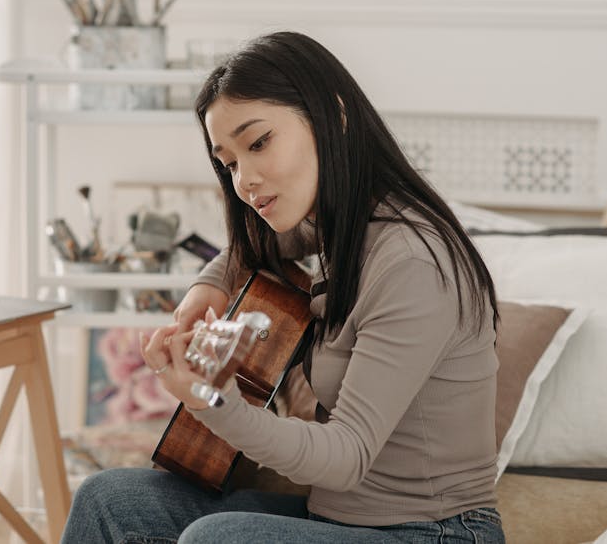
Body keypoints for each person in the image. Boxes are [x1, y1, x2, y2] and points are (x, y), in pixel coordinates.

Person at [61, 32, 505, 543]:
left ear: (332, 117)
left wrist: (215, 401)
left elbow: (345, 459)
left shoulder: (411, 262)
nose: (244, 180)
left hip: (437, 532)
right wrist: (209, 286)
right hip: (338, 522)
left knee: (217, 539)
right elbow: (259, 248)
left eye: (258, 143)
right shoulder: (343, 224)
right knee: (107, 500)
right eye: (229, 162)